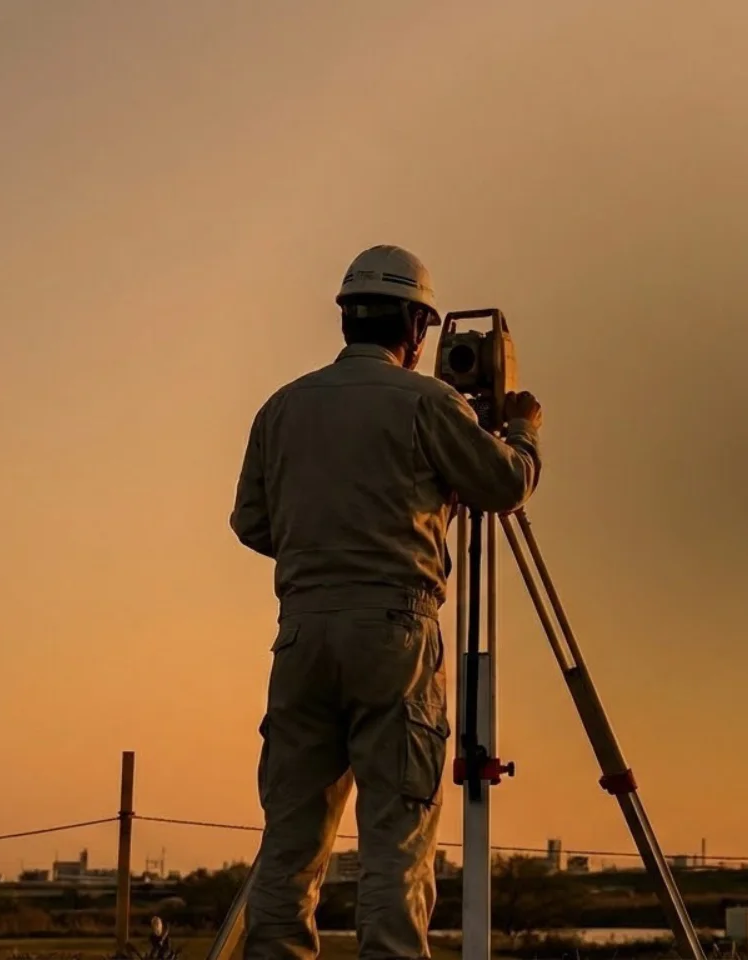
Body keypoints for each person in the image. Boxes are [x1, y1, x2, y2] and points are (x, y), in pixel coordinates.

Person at [228, 244, 543, 960]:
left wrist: (328, 546)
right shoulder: (429, 404)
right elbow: (504, 485)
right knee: (395, 843)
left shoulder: (283, 407)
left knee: (291, 840)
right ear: (417, 326)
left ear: (347, 319)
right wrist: (521, 428)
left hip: (302, 632)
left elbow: (252, 523)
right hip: (395, 631)